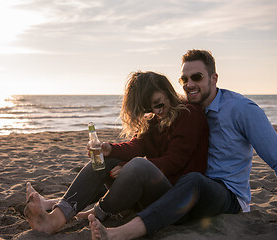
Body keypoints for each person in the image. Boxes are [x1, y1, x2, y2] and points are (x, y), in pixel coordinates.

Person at [89, 49, 277, 240]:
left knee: (193, 180)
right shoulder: (184, 110)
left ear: (214, 78)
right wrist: (112, 148)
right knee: (114, 163)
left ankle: (121, 233)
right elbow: (143, 142)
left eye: (196, 77)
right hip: (185, 195)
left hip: (226, 195)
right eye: (184, 80)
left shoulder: (242, 109)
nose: (189, 85)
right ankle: (71, 209)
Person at [24, 71, 209, 234]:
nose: (156, 112)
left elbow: (175, 161)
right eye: (148, 109)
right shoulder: (153, 118)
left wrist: (130, 167)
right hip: (148, 196)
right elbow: (137, 145)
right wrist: (110, 148)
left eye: (158, 104)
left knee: (138, 165)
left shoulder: (190, 114)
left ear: (168, 92)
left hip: (177, 201)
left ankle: (95, 212)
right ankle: (54, 218)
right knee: (105, 160)